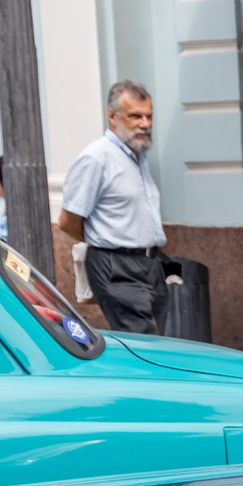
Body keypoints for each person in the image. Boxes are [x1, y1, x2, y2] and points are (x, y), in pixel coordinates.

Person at [58, 81, 164, 334]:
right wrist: (106, 242)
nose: (146, 124)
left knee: (159, 346)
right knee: (145, 346)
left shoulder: (137, 156)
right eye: (135, 116)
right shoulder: (96, 158)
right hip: (117, 265)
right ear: (112, 116)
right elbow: (67, 220)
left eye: (149, 116)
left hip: (150, 264)